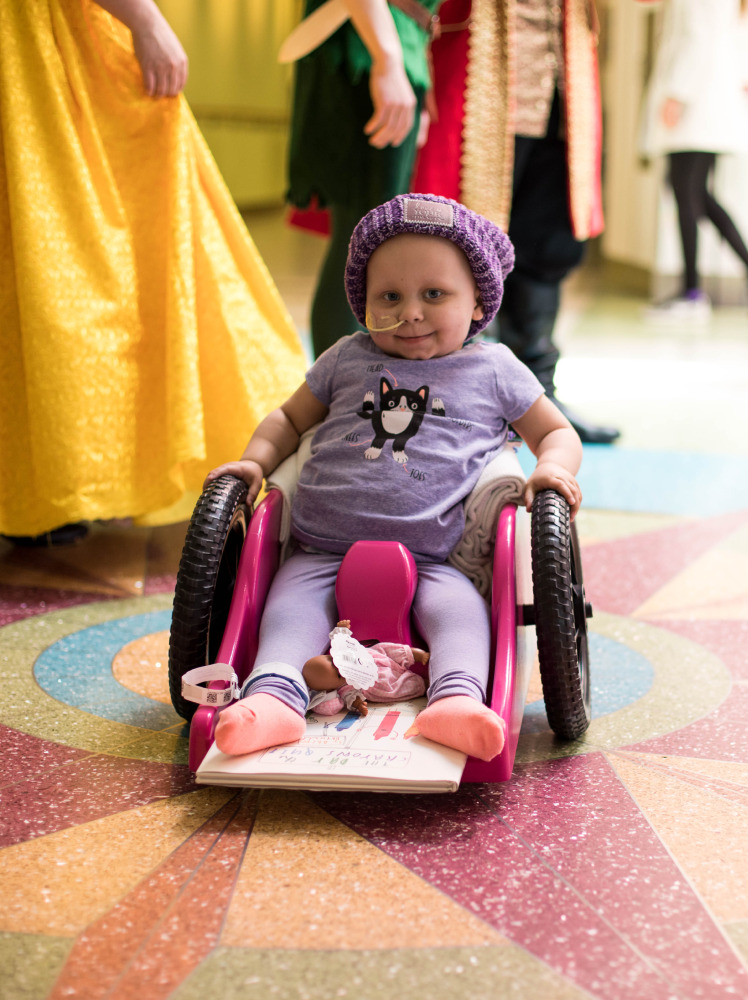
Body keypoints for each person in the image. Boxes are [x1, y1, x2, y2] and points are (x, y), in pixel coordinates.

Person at [204, 193, 583, 762]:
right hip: (318, 548)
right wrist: (256, 462)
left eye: (434, 294)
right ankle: (274, 700)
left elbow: (558, 432)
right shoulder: (345, 358)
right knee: (286, 616)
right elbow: (287, 418)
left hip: (434, 555)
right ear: (363, 304)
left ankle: (455, 700)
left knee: (461, 617)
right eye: (389, 296)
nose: (410, 313)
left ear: (479, 301)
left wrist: (551, 469)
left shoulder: (494, 368)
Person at [0, 0, 306, 545]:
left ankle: (56, 481)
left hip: (44, 40)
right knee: (78, 262)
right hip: (45, 42)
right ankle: (64, 481)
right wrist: (143, 18)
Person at [411, 0, 621, 445]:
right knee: (457, 245)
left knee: (549, 244)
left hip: (561, 88)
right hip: (480, 74)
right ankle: (448, 400)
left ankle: (537, 400)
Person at [285, 0, 441, 357]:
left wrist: (413, 75)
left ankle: (345, 391)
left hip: (390, 51)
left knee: (366, 238)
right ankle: (340, 393)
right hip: (366, 53)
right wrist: (387, 62)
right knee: (361, 238)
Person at [639, 0, 748, 322]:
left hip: (695, 107)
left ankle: (692, 293)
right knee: (699, 197)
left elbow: (696, 39)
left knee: (687, 195)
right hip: (704, 105)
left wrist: (677, 94)